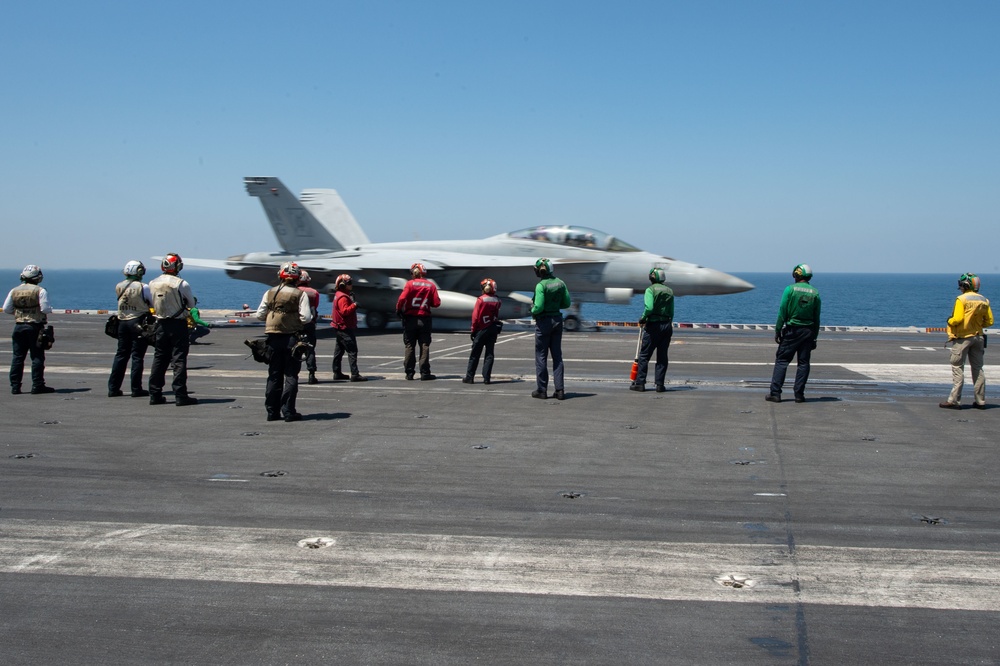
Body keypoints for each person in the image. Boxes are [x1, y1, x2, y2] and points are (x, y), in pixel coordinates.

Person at [255, 262, 313, 421]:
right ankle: (288, 412)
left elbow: (260, 315)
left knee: (274, 376)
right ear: (297, 277)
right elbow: (306, 318)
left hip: (273, 339)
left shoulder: (270, 292)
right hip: (292, 340)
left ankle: (272, 412)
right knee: (291, 375)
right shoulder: (300, 294)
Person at [147, 253, 198, 406]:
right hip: (177, 324)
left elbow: (151, 302)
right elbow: (191, 304)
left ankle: (154, 394)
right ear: (177, 266)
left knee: (159, 359)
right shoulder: (181, 284)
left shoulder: (152, 283)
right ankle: (180, 395)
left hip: (160, 324)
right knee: (179, 359)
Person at [766, 264, 821, 404]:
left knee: (782, 361)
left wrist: (778, 330)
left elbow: (782, 311)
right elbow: (816, 318)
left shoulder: (790, 289)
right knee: (803, 363)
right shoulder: (815, 293)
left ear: (796, 275)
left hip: (792, 331)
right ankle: (799, 395)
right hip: (808, 332)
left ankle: (775, 393)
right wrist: (814, 337)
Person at [940, 273, 993, 410]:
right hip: (978, 337)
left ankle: (954, 400)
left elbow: (957, 319)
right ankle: (980, 400)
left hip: (963, 338)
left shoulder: (961, 299)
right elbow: (990, 321)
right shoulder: (984, 300)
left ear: (965, 285)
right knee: (978, 369)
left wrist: (949, 321)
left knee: (957, 367)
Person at [4, 264, 55, 395]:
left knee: (17, 357)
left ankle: (15, 386)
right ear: (38, 278)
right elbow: (45, 309)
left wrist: (21, 312)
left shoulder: (14, 290)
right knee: (37, 356)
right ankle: (37, 385)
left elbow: (7, 309)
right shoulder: (40, 291)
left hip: (19, 326)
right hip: (35, 326)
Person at [108, 260, 153, 398]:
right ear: (138, 271)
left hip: (122, 322)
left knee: (121, 355)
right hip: (137, 322)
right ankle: (136, 388)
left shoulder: (119, 286)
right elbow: (151, 303)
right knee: (137, 356)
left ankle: (113, 388)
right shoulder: (143, 287)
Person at [530, 258, 571, 400]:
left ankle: (542, 390)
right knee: (557, 356)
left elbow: (539, 306)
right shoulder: (561, 283)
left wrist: (533, 310)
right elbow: (566, 303)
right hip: (557, 321)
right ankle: (559, 390)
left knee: (541, 356)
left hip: (544, 322)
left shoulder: (540, 286)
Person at [630, 268, 674, 393]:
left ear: (652, 277)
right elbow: (671, 311)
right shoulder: (670, 291)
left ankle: (640, 383)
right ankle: (660, 385)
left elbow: (649, 307)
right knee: (662, 356)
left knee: (644, 355)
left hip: (653, 325)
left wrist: (643, 318)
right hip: (666, 325)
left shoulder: (650, 290)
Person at [396, 263, 441, 380]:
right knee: (424, 345)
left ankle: (409, 373)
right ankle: (425, 373)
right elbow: (437, 303)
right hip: (424, 319)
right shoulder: (431, 285)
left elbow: (401, 299)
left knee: (410, 345)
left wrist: (398, 309)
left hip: (410, 319)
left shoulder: (409, 284)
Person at [463, 278, 502, 384]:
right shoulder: (498, 300)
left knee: (475, 354)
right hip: (493, 328)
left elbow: (475, 317)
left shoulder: (481, 299)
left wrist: (473, 330)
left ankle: (470, 377)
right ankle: (486, 378)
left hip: (481, 329)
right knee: (489, 354)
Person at [331, 273, 366, 382]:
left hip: (340, 328)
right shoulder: (343, 297)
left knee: (339, 351)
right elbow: (344, 311)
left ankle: (337, 372)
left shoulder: (339, 294)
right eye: (349, 283)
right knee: (352, 350)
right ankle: (355, 374)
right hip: (345, 328)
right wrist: (354, 305)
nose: (351, 285)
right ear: (342, 285)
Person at [297, 270, 321, 384]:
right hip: (310, 323)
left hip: (296, 325)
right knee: (310, 350)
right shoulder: (314, 292)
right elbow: (315, 306)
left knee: (295, 349)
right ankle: (311, 374)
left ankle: (293, 374)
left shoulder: (294, 292)